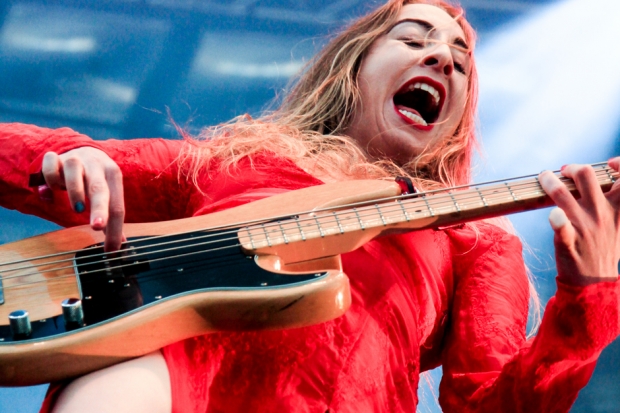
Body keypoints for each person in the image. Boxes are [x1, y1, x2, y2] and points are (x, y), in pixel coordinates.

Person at [0, 0, 619, 412]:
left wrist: (589, 298)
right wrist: (70, 155)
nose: (442, 59)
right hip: (163, 371)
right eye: (414, 39)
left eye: (461, 61)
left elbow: (491, 401)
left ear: (456, 118)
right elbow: (36, 155)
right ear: (354, 68)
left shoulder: (474, 238)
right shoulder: (233, 161)